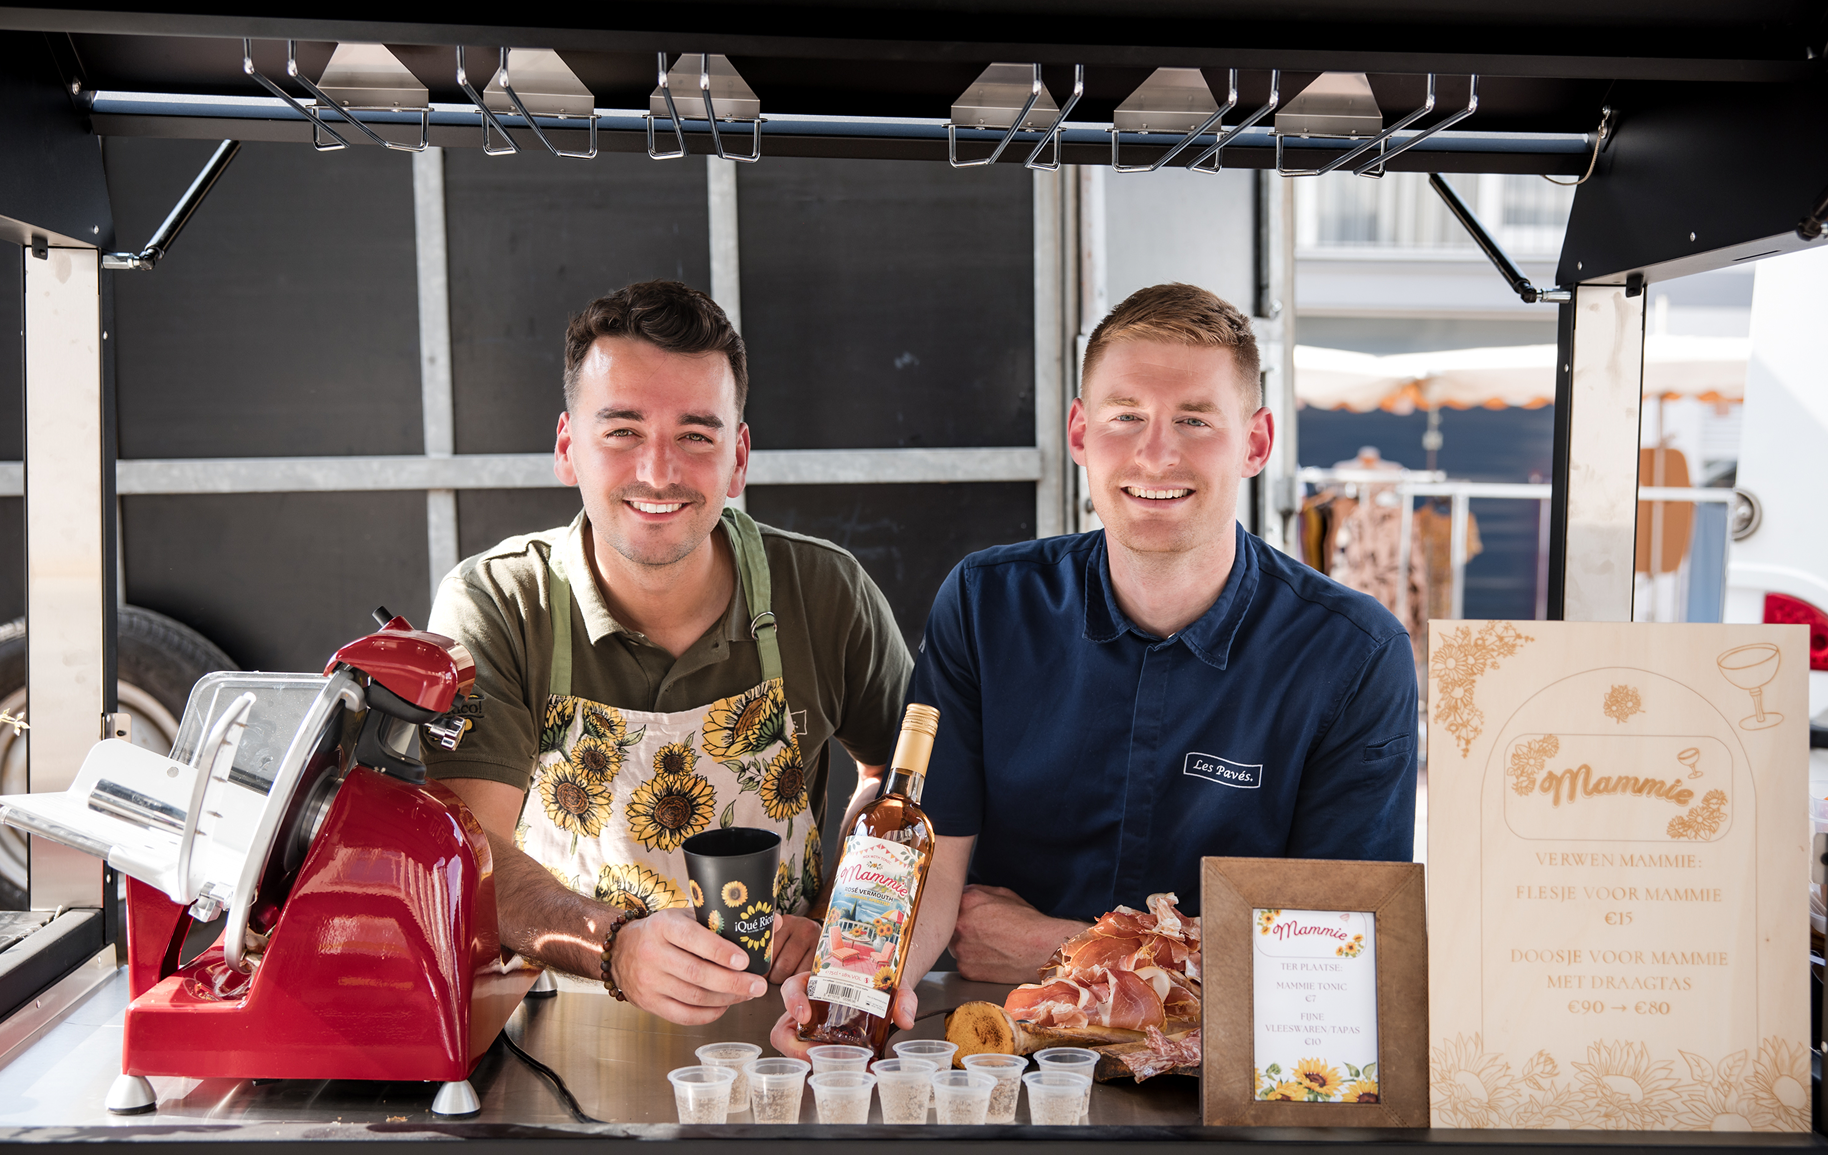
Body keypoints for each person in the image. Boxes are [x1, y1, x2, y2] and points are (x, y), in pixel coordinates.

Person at [772, 283, 1415, 1049]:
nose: (1156, 453)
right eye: (1125, 416)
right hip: (1004, 1050)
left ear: (1255, 442)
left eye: (1195, 420)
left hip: (1226, 1067)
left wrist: (1065, 949)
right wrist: (851, 998)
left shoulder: (1355, 656)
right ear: (1080, 431)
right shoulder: (986, 604)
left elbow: (1336, 956)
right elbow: (930, 866)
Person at [428, 280, 913, 1026]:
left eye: (696, 436)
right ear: (567, 447)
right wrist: (614, 948)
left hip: (784, 1030)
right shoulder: (500, 604)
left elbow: (903, 787)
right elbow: (468, 847)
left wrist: (838, 921)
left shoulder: (825, 591)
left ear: (738, 457)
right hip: (558, 1032)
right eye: (623, 431)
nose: (658, 472)